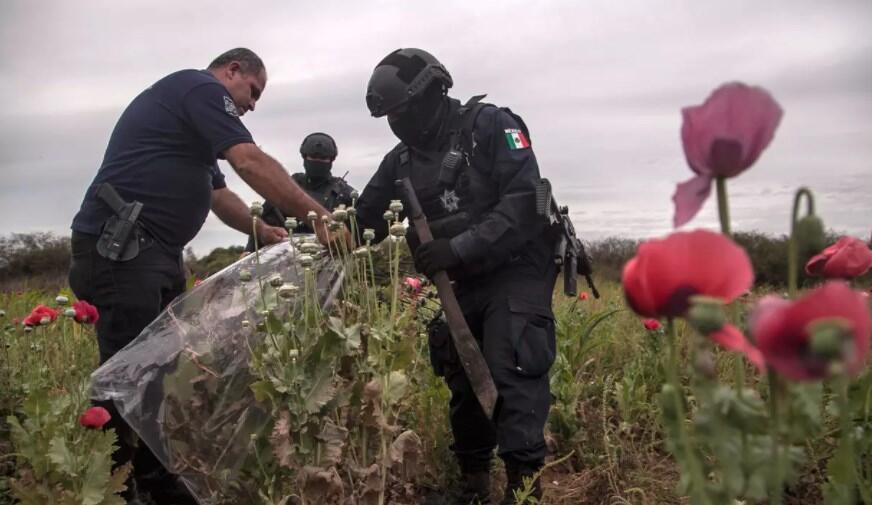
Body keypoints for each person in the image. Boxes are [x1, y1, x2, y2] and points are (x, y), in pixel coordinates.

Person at [68, 48, 338, 504]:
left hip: (155, 254)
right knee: (126, 375)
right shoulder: (198, 88)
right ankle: (111, 486)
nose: (252, 104)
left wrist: (264, 230)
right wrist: (322, 219)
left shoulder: (191, 122)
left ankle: (154, 482)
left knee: (158, 373)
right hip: (122, 249)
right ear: (232, 71)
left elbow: (217, 194)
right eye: (253, 91)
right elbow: (248, 161)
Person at [355, 48, 558, 504]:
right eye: (389, 117)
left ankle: (525, 489)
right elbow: (362, 220)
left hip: (517, 268)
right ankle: (473, 485)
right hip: (460, 281)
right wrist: (313, 233)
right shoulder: (400, 161)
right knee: (464, 377)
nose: (397, 123)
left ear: (431, 93)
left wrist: (459, 247)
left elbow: (524, 201)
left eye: (402, 112)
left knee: (511, 366)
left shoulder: (490, 125)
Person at [244, 132, 356, 251]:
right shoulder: (286, 189)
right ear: (304, 157)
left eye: (323, 158)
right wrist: (249, 251)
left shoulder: (344, 194)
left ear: (331, 160)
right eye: (313, 157)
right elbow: (260, 225)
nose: (317, 161)